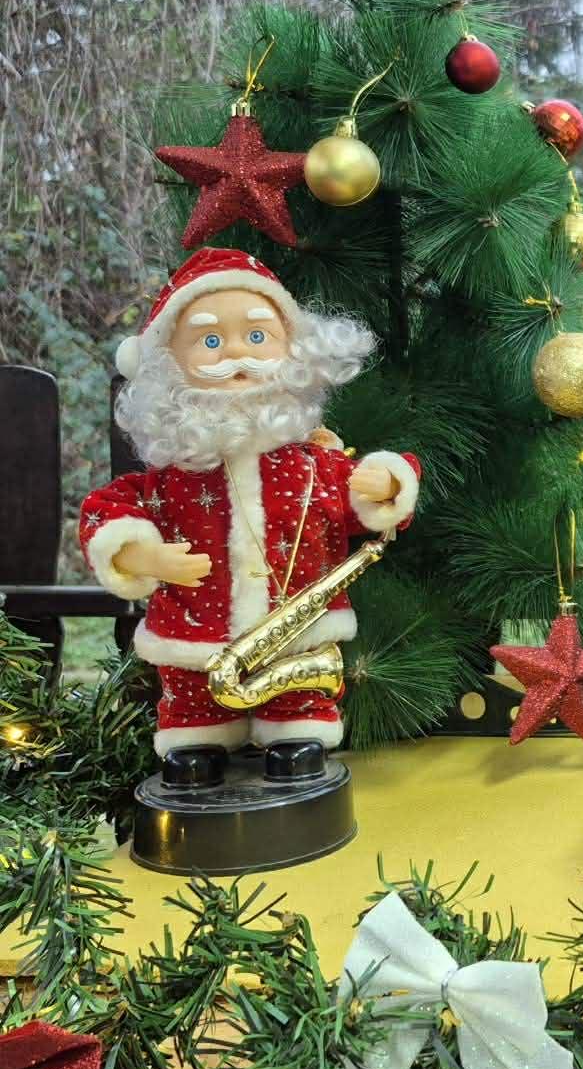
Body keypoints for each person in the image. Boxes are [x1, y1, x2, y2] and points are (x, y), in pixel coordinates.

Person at [81, 248, 421, 786]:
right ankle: (199, 743)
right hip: (195, 634)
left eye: (258, 336)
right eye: (211, 341)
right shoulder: (171, 479)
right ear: (168, 362)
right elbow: (108, 508)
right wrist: (136, 551)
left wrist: (385, 485)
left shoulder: (316, 463)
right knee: (193, 707)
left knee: (298, 701)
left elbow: (368, 507)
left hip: (299, 633)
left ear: (295, 351)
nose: (237, 353)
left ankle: (296, 731)